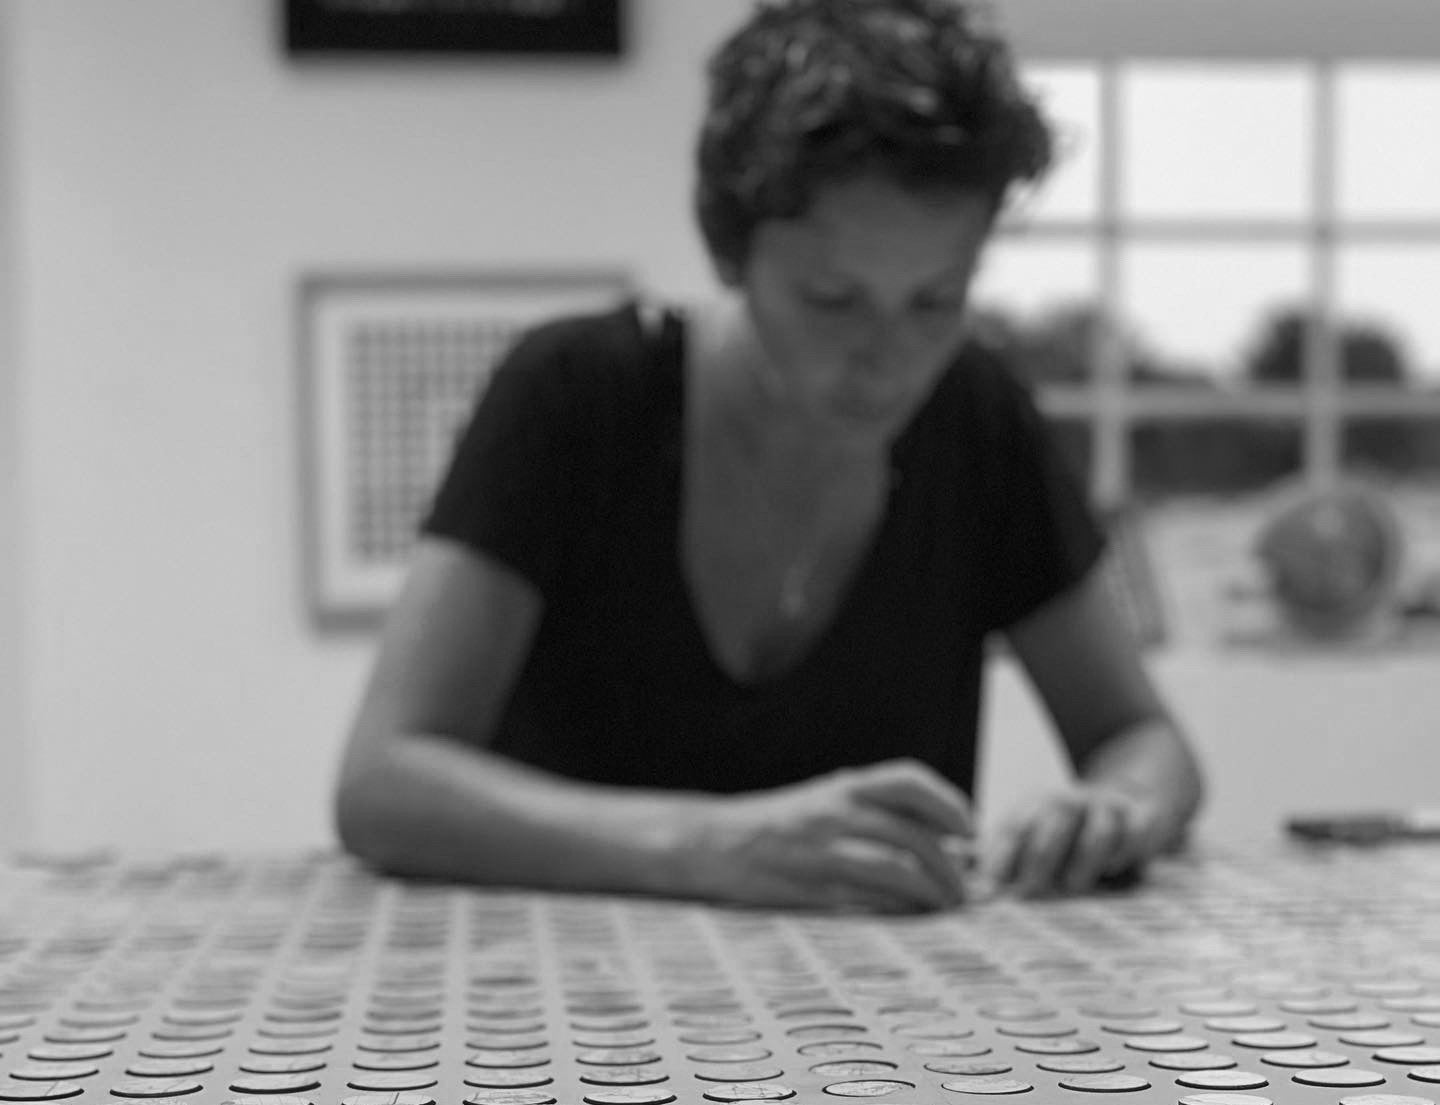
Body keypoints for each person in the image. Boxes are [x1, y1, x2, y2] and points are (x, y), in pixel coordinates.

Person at [335, 0, 1204, 912]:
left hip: (880, 1034)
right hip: (560, 1017)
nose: (889, 358)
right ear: (729, 252)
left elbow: (1141, 736)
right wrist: (708, 843)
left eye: (936, 301)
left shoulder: (979, 418)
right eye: (832, 300)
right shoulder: (577, 394)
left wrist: (1114, 809)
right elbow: (383, 785)